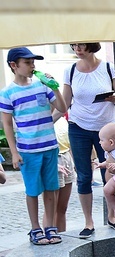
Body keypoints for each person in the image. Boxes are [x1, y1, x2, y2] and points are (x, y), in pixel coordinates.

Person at [1, 47, 67, 246]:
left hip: (49, 147)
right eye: (28, 63)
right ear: (14, 66)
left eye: (33, 63)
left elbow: (63, 108)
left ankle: (50, 226)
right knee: (32, 190)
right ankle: (35, 227)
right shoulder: (7, 93)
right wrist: (14, 152)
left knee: (51, 188)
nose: (32, 66)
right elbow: (7, 124)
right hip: (28, 150)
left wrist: (54, 87)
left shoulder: (42, 86)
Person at [62, 42, 115, 238]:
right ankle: (88, 222)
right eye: (74, 45)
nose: (77, 49)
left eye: (81, 45)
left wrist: (113, 98)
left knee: (109, 173)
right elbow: (64, 103)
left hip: (107, 128)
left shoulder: (108, 67)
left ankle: (112, 216)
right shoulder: (70, 71)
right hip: (78, 126)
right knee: (84, 176)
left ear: (91, 45)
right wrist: (46, 122)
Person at [52, 116, 76, 232]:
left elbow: (69, 141)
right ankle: (50, 232)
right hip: (53, 159)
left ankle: (62, 234)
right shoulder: (44, 117)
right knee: (51, 206)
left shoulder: (62, 119)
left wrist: (74, 161)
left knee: (62, 207)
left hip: (66, 157)